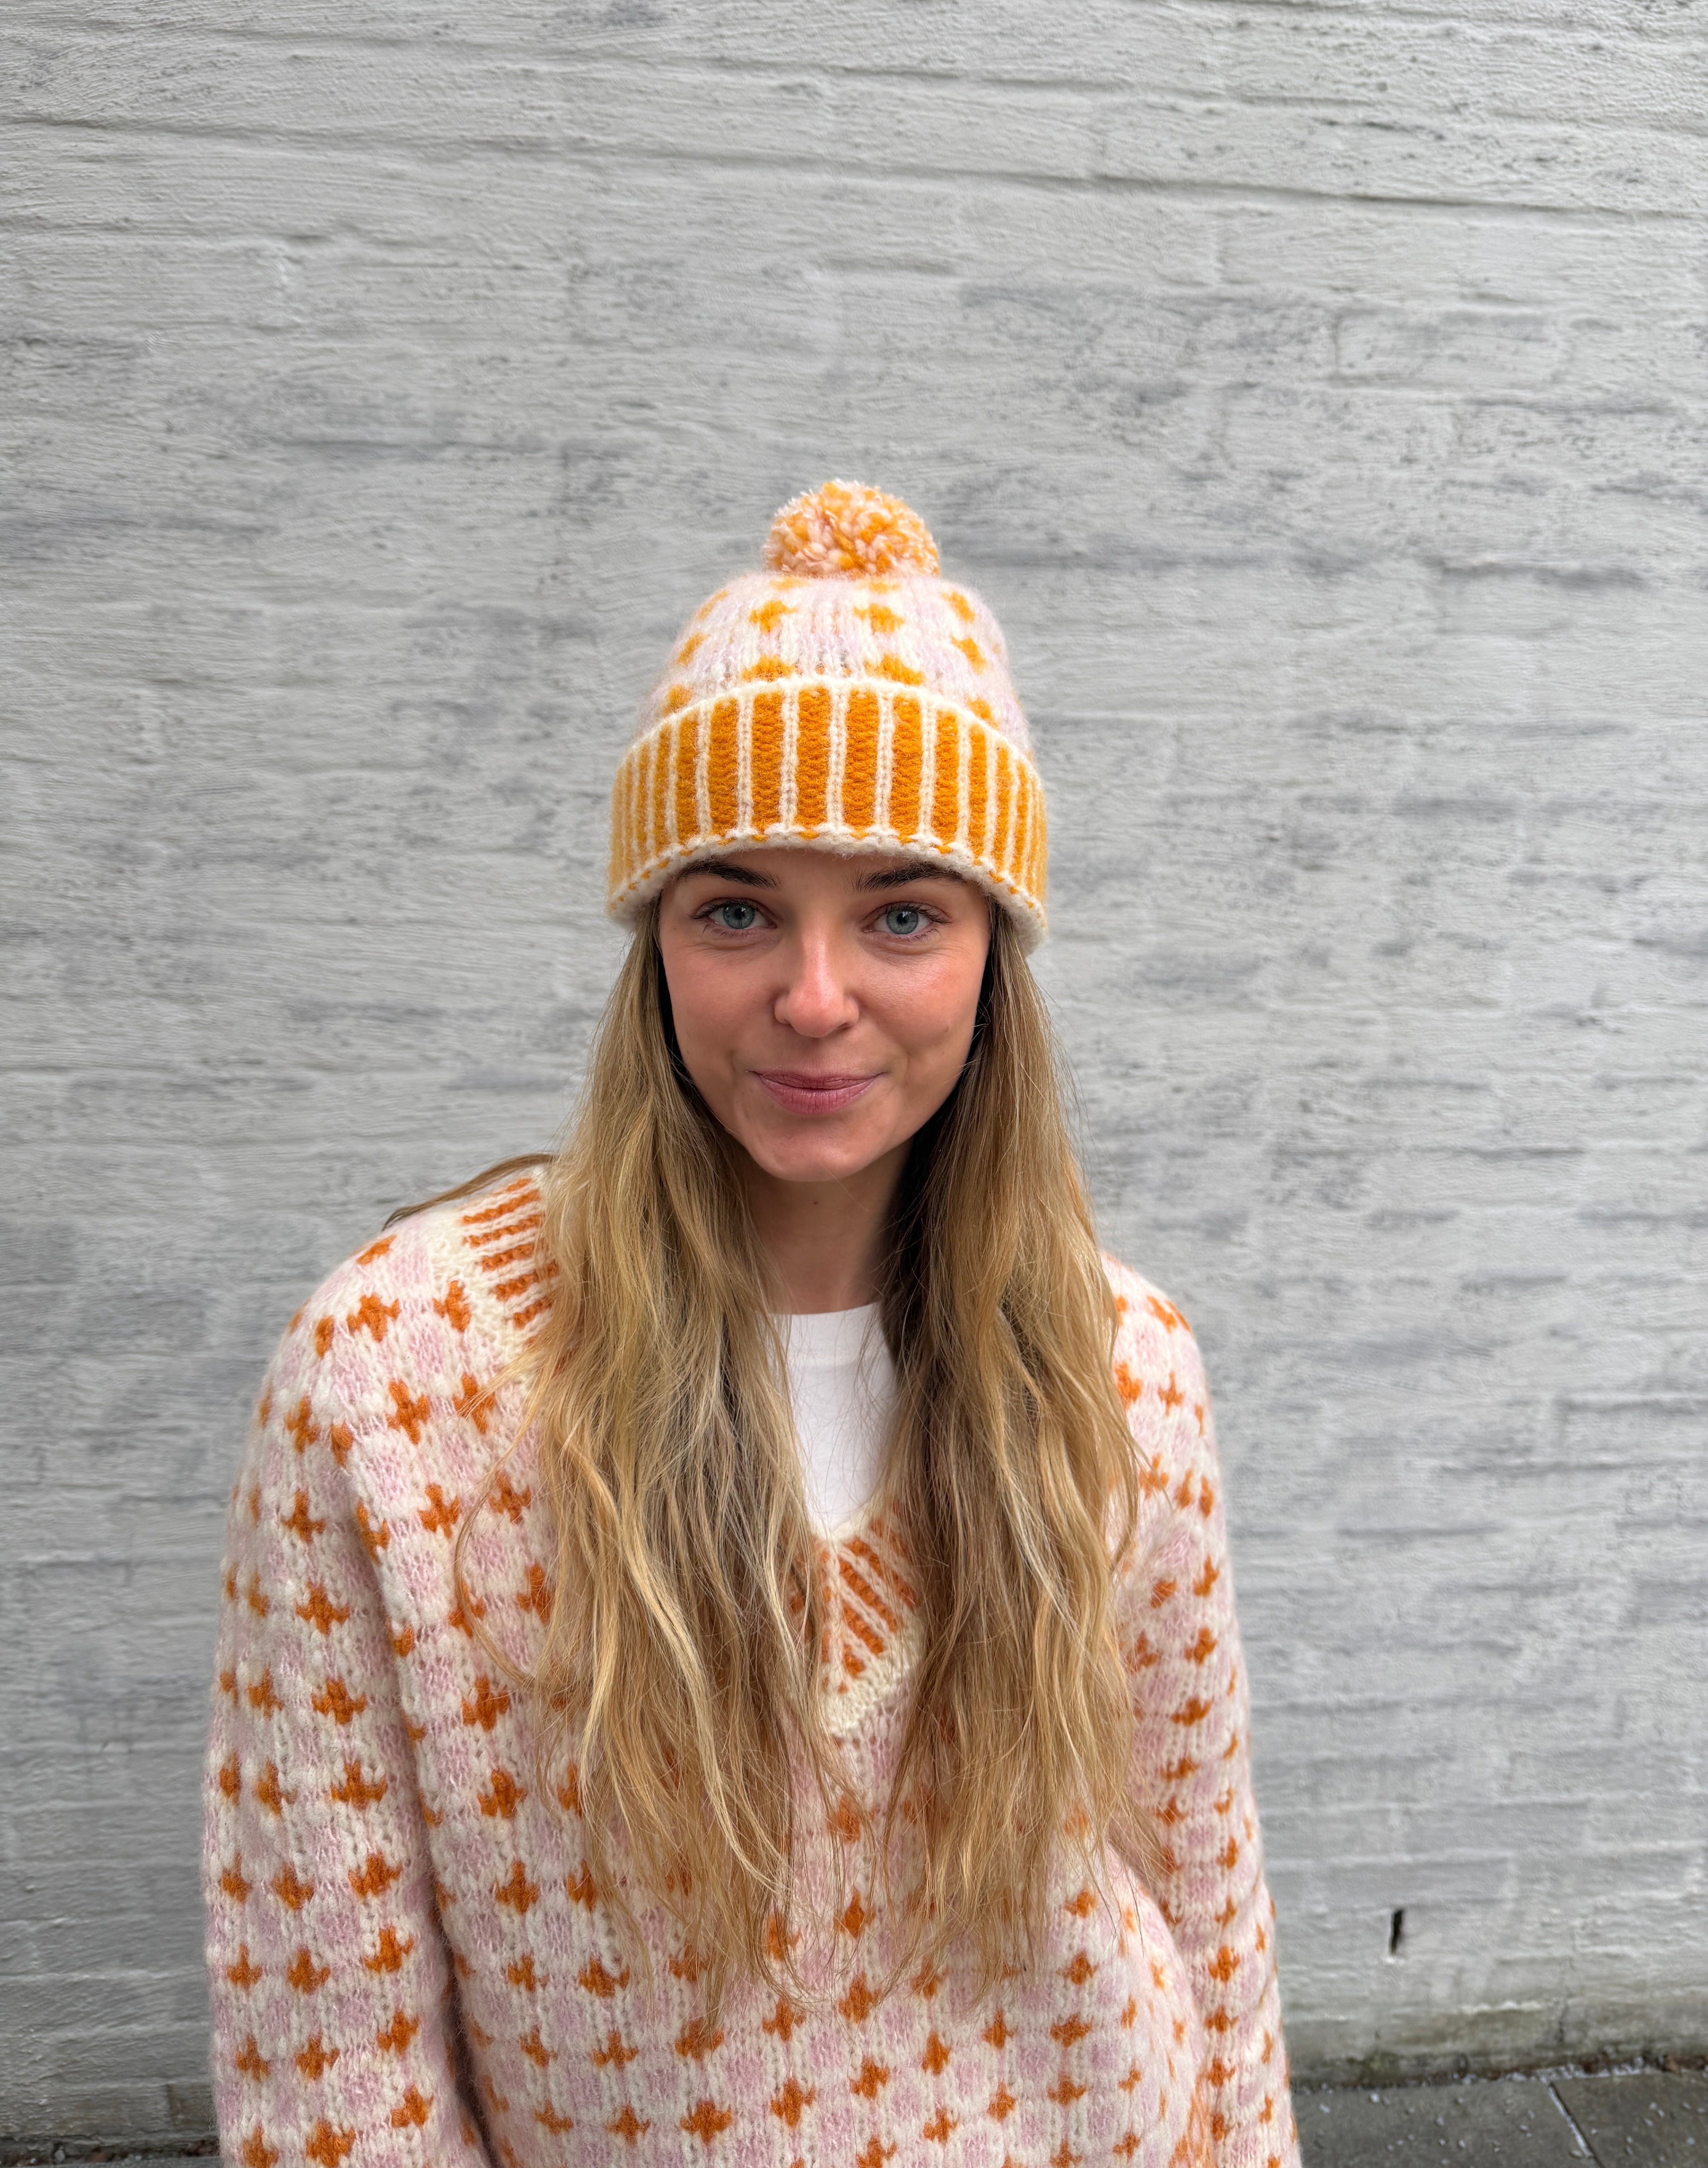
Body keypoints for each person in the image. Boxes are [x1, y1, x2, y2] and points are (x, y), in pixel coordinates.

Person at [203, 482, 1300, 2168]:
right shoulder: (394, 1385)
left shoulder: (1119, 1362)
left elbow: (1205, 1876)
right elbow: (331, 2043)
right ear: (654, 940)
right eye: (735, 909)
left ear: (994, 955)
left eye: (902, 913)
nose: (813, 996)